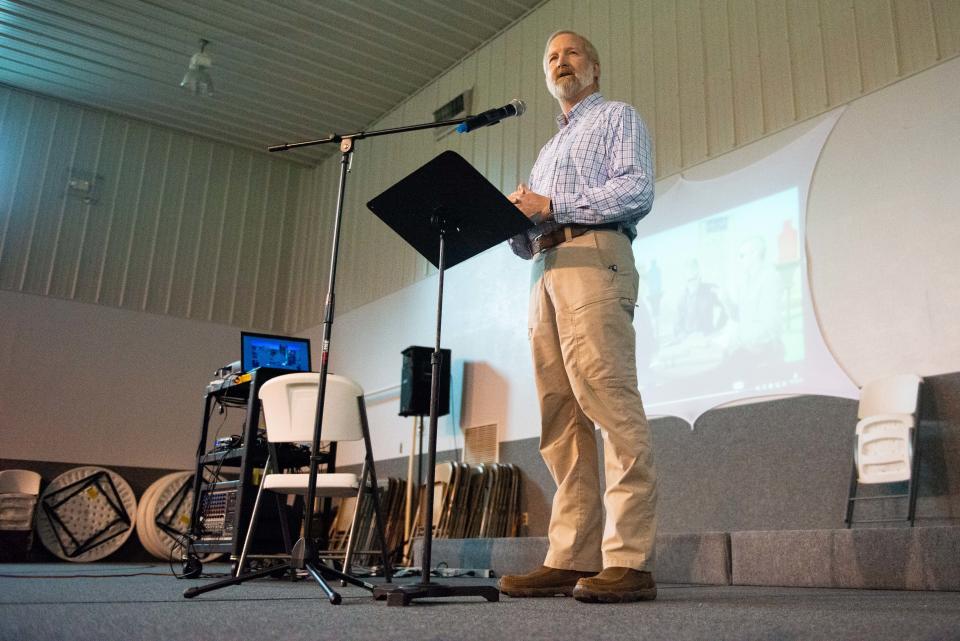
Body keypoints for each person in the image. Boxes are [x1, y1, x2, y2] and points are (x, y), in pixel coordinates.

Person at [498, 30, 657, 604]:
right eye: (551, 58)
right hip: (544, 268)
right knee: (559, 420)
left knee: (609, 404)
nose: (560, 62)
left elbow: (637, 190)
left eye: (570, 54)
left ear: (593, 67)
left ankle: (629, 559)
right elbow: (532, 229)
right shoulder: (546, 151)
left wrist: (552, 206)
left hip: (595, 256)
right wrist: (515, 221)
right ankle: (571, 556)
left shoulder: (616, 116)